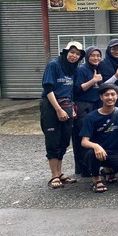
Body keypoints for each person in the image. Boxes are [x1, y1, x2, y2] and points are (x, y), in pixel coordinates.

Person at [41, 41, 85, 189]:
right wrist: (58, 109)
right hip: (51, 106)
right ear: (65, 52)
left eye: (78, 54)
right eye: (72, 52)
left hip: (67, 105)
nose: (74, 56)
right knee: (53, 140)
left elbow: (70, 91)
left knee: (63, 141)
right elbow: (48, 88)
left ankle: (59, 173)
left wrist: (71, 107)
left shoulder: (73, 69)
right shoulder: (54, 65)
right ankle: (54, 175)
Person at [72, 45, 103, 177]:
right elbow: (78, 89)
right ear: (87, 57)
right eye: (93, 55)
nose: (96, 58)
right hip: (83, 106)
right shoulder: (82, 69)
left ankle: (92, 166)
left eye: (98, 55)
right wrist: (94, 80)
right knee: (83, 136)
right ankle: (84, 169)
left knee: (94, 135)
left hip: (94, 105)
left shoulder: (95, 69)